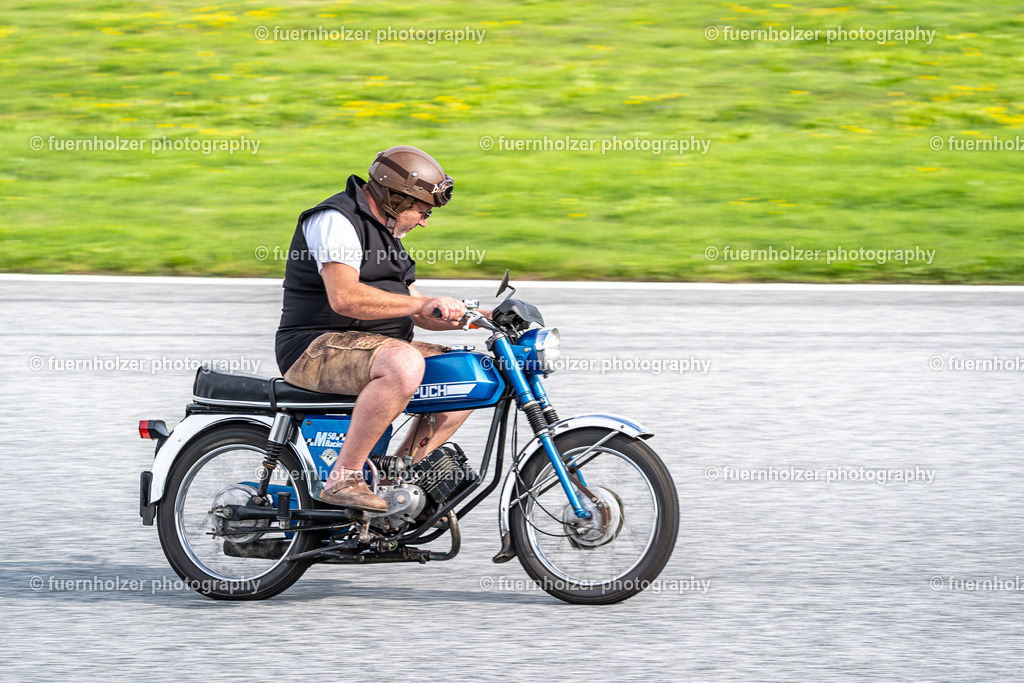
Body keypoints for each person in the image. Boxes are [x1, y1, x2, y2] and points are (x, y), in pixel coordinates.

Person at [275, 146, 483, 512]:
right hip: (313, 348)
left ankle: (393, 487)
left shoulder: (387, 234)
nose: (424, 222)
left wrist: (478, 315)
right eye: (423, 211)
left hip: (372, 345)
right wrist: (419, 305)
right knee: (404, 364)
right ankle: (344, 478)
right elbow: (345, 298)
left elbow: (417, 309)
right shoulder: (336, 220)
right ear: (395, 198)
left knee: (465, 375)